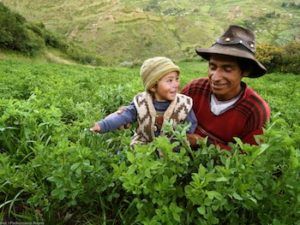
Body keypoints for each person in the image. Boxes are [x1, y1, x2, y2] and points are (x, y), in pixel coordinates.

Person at [181, 25, 271, 150]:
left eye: (227, 69)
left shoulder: (256, 110)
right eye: (212, 67)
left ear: (245, 71)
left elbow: (246, 158)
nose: (215, 77)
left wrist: (203, 143)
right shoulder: (194, 88)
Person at [90, 56, 197, 146]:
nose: (176, 84)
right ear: (153, 86)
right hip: (143, 146)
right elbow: (123, 116)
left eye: (177, 79)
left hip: (172, 150)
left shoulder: (184, 104)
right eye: (170, 80)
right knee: (129, 154)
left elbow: (190, 127)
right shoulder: (141, 102)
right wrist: (102, 125)